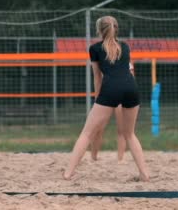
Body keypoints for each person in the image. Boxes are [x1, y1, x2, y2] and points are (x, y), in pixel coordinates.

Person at [63, 16, 149, 181]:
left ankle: (68, 173)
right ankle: (144, 174)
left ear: (99, 30)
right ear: (116, 29)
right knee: (130, 134)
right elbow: (125, 69)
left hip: (111, 89)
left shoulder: (95, 48)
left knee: (87, 133)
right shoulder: (125, 46)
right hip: (131, 88)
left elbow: (97, 77)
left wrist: (98, 99)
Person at [90, 63, 134, 162]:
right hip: (106, 96)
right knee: (98, 128)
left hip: (119, 95)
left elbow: (131, 78)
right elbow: (98, 79)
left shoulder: (124, 60)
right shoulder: (103, 59)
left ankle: (120, 159)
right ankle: (94, 157)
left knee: (121, 130)